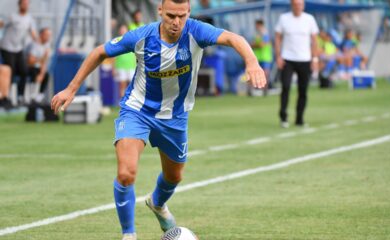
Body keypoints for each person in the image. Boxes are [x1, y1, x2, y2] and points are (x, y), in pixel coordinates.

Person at [51, 0, 266, 239]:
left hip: (175, 117)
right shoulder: (141, 37)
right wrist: (71, 88)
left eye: (182, 16)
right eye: (171, 16)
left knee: (174, 176)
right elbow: (100, 52)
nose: (176, 22)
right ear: (160, 11)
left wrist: (252, 61)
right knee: (126, 173)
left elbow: (233, 39)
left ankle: (157, 203)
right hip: (137, 111)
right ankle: (129, 234)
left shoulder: (197, 31)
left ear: (189, 13)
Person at [274, 0, 319, 128]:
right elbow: (277, 37)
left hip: (305, 59)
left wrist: (315, 59)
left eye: (300, 4)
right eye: (296, 4)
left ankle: (300, 118)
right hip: (288, 58)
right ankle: (283, 117)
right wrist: (278, 56)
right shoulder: (284, 18)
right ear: (292, 5)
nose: (298, 7)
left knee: (303, 90)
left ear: (303, 6)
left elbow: (314, 40)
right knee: (286, 87)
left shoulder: (309, 19)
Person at [0, 0, 37, 105]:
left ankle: (20, 96)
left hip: (18, 48)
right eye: (23, 3)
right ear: (19, 5)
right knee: (9, 71)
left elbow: (34, 33)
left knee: (24, 72)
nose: (25, 5)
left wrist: (39, 43)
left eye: (27, 4)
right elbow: (2, 24)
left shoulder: (29, 19)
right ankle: (6, 96)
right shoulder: (12, 17)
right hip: (7, 47)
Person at [27, 27, 51, 103]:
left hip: (37, 67)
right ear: (41, 35)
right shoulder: (34, 45)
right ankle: (31, 96)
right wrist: (42, 59)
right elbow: (30, 61)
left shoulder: (47, 45)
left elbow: (44, 62)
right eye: (47, 35)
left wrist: (41, 74)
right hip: (28, 67)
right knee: (34, 72)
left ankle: (39, 96)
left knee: (46, 75)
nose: (48, 37)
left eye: (49, 35)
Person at [114, 25, 136, 98]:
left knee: (132, 85)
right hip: (121, 66)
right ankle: (122, 102)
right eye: (121, 30)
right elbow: (113, 55)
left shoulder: (132, 40)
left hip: (131, 65)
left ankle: (131, 102)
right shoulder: (116, 41)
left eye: (124, 29)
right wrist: (114, 68)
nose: (123, 31)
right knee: (122, 85)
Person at [251, 19, 273, 90]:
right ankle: (257, 88)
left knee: (265, 73)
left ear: (260, 25)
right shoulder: (257, 34)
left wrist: (255, 45)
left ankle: (265, 89)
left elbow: (261, 45)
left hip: (265, 57)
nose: (255, 27)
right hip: (258, 57)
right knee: (256, 73)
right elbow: (253, 44)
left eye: (257, 25)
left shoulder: (265, 34)